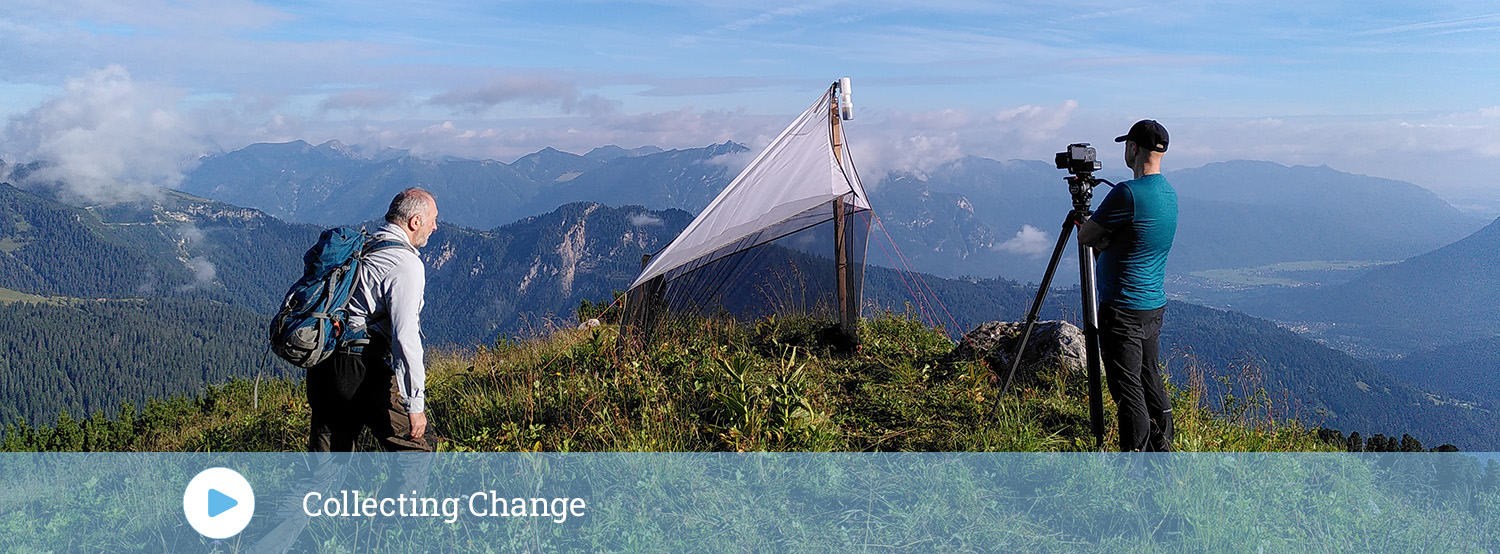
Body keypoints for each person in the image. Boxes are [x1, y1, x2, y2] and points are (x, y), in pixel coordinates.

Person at [307, 186, 439, 452]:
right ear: (416, 222)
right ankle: (396, 497)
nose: (435, 227)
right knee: (416, 448)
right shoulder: (405, 264)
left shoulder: (364, 247)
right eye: (433, 220)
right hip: (362, 367)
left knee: (324, 473)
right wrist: (415, 404)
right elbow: (405, 339)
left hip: (324, 365)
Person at [1079, 119, 1178, 452]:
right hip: (1152, 306)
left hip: (1122, 308)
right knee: (1150, 378)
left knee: (1127, 390)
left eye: (1126, 145)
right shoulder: (1169, 194)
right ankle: (1163, 450)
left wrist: (1101, 238)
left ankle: (1136, 462)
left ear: (1133, 149)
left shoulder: (1128, 193)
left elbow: (1086, 235)